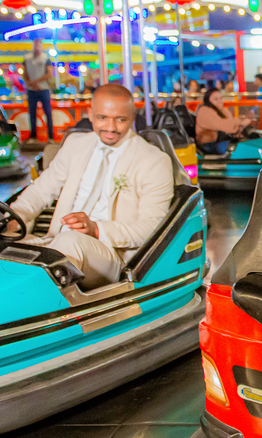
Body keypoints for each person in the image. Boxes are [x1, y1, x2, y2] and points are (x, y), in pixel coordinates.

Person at [10, 84, 173, 290]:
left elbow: (151, 228)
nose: (111, 127)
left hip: (111, 254)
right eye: (102, 118)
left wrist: (96, 229)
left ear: (132, 118)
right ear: (90, 114)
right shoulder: (76, 144)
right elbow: (41, 190)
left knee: (70, 242)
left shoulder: (153, 160)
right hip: (54, 242)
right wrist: (14, 217)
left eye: (120, 120)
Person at [194, 86, 252, 155]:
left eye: (220, 98)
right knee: (241, 148)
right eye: (216, 99)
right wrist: (240, 122)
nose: (219, 101)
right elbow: (224, 126)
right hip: (209, 144)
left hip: (221, 141)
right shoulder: (205, 111)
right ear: (208, 101)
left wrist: (240, 124)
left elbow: (231, 122)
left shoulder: (223, 110)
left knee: (249, 142)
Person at [23, 39, 54, 142]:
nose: (36, 47)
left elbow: (49, 74)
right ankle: (33, 135)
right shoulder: (27, 59)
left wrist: (34, 82)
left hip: (43, 88)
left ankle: (50, 136)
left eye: (38, 45)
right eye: (35, 45)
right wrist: (30, 82)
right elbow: (25, 73)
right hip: (32, 89)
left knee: (48, 113)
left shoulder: (46, 59)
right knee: (32, 113)